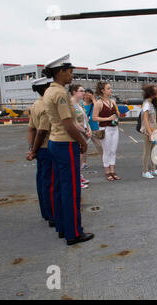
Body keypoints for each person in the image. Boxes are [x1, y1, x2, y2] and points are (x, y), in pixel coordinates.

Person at [42, 54, 94, 246]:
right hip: (65, 143)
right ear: (60, 72)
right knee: (71, 190)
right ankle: (73, 233)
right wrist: (82, 141)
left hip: (55, 142)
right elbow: (68, 123)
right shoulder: (61, 94)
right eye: (70, 72)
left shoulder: (49, 91)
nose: (72, 76)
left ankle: (63, 227)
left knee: (59, 187)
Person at [26, 77, 56, 229]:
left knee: (42, 181)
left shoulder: (36, 104)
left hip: (40, 149)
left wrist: (31, 149)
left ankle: (45, 212)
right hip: (48, 148)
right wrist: (35, 149)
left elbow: (31, 128)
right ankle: (52, 215)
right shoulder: (47, 106)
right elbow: (42, 131)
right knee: (50, 182)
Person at [92, 81, 121, 181]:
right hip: (105, 129)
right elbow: (94, 118)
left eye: (110, 88)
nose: (110, 90)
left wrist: (117, 114)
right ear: (103, 91)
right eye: (108, 88)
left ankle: (112, 170)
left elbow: (116, 113)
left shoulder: (112, 101)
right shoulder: (98, 103)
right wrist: (108, 118)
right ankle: (107, 171)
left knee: (113, 150)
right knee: (107, 150)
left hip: (114, 128)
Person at [69, 84, 91, 189]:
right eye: (81, 91)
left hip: (84, 132)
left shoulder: (80, 104)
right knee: (78, 158)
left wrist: (89, 129)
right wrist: (85, 131)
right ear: (74, 92)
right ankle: (76, 179)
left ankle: (79, 175)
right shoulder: (71, 104)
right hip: (77, 133)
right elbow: (74, 122)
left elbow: (85, 118)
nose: (83, 93)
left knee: (81, 157)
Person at [140, 84, 157, 179]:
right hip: (148, 132)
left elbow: (156, 119)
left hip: (154, 131)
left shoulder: (153, 103)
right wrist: (150, 134)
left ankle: (153, 169)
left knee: (153, 151)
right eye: (156, 90)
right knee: (147, 151)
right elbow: (145, 120)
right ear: (152, 93)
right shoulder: (146, 104)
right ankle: (145, 171)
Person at [83, 88, 103, 157]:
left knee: (100, 145)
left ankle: (105, 159)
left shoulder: (95, 103)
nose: (87, 96)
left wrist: (93, 99)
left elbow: (99, 108)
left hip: (95, 128)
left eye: (89, 95)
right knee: (84, 147)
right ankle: (84, 163)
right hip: (85, 129)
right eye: (86, 94)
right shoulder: (80, 104)